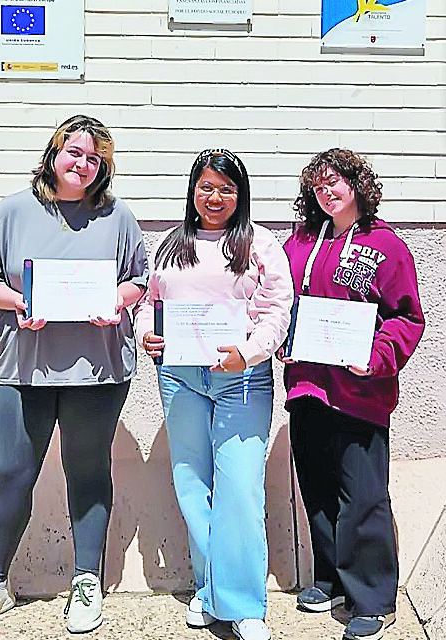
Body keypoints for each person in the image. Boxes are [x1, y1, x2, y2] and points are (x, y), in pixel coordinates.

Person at [0, 115, 148, 635]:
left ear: (104, 166)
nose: (82, 164)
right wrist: (18, 301)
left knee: (87, 471)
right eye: (73, 152)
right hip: (21, 365)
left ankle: (86, 580)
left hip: (97, 368)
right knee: (12, 472)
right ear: (53, 153)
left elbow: (136, 280)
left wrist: (114, 302)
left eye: (94, 157)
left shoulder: (117, 215)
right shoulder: (14, 211)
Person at [133, 149, 293, 640]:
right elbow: (149, 304)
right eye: (206, 187)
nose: (215, 197)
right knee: (191, 485)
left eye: (226, 188)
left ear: (240, 194)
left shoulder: (260, 244)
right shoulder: (170, 245)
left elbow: (276, 311)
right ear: (192, 191)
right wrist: (146, 333)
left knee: (239, 489)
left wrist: (248, 353)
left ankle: (245, 605)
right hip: (180, 378)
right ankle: (210, 590)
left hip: (241, 379)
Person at [280, 149, 424, 640]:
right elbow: (277, 301)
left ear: (358, 186)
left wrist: (379, 358)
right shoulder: (297, 243)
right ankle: (331, 579)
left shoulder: (386, 247)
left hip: (361, 390)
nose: (326, 192)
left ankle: (372, 598)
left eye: (335, 182)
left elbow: (407, 317)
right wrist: (279, 338)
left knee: (362, 494)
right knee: (317, 489)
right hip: (307, 386)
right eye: (318, 185)